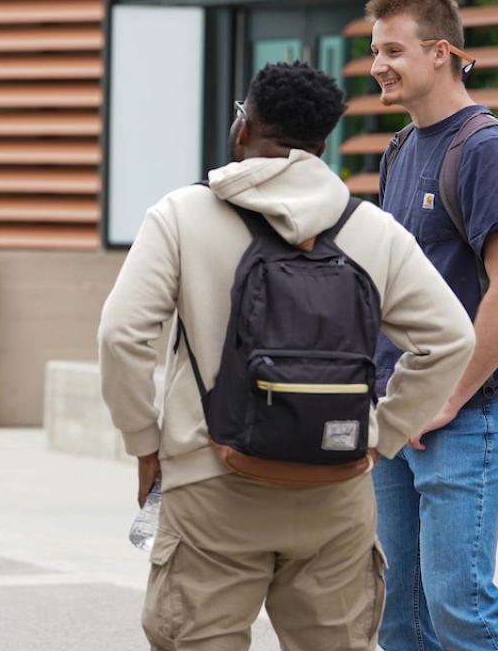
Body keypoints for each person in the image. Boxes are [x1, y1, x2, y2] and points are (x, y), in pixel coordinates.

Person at [98, 61, 475, 651]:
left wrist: (144, 442)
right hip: (335, 487)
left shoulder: (181, 217)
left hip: (211, 482)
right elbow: (453, 338)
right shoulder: (371, 229)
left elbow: (121, 334)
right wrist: (382, 434)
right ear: (323, 144)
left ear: (243, 128)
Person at [366, 0, 498, 651]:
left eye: (392, 49)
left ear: (442, 52)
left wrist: (446, 396)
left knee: (461, 607)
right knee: (399, 616)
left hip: (464, 415)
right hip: (399, 409)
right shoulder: (402, 150)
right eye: (375, 49)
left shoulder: (487, 149)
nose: (379, 63)